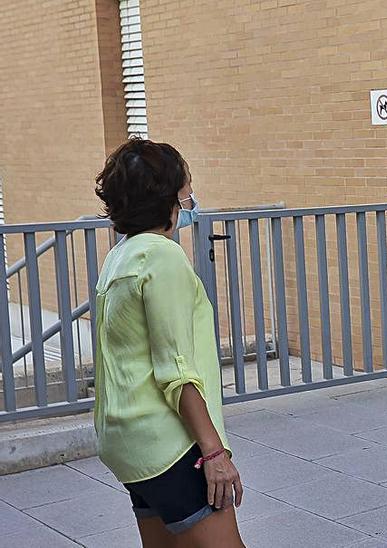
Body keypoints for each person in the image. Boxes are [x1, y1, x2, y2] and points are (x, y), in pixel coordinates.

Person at [92, 139, 245, 547]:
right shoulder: (163, 257)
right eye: (185, 189)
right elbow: (175, 369)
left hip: (129, 442)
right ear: (167, 198)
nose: (189, 199)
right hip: (169, 445)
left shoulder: (121, 256)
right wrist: (213, 453)